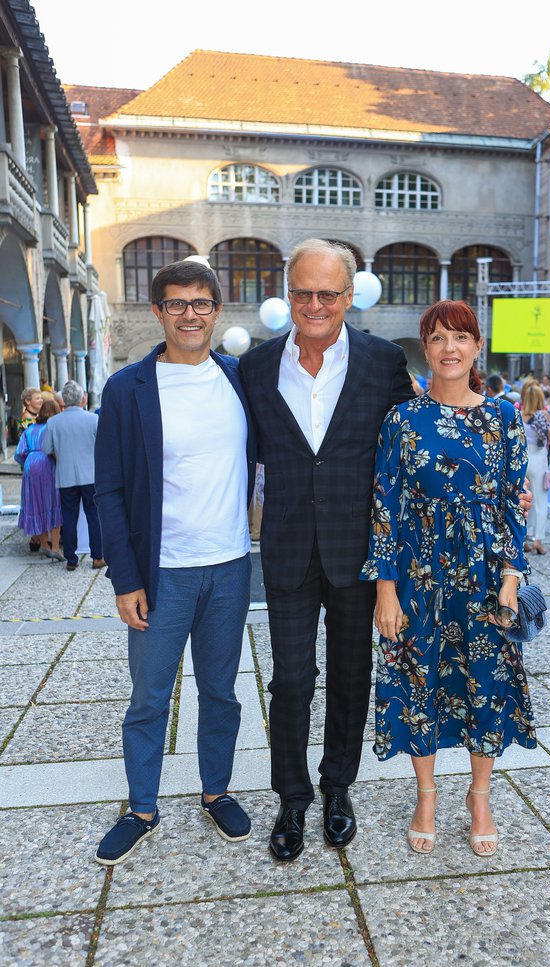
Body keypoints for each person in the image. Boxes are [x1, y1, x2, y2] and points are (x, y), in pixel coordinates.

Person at [239, 238, 416, 862]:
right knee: (290, 679)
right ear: (289, 294)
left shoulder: (382, 360)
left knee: (349, 677)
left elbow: (413, 447)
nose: (315, 305)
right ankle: (291, 796)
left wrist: (491, 489)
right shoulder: (256, 367)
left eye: (328, 294)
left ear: (349, 297)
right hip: (285, 548)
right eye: (303, 292)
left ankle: (339, 787)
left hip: (356, 550)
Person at [93, 257, 256, 866]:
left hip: (230, 566)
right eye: (178, 304)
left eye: (202, 304)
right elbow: (108, 488)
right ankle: (141, 807)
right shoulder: (128, 388)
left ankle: (216, 790)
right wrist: (125, 578)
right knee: (150, 696)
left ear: (217, 311)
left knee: (221, 691)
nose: (191, 315)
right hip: (161, 573)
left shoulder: (241, 379)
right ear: (158, 312)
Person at [362, 299, 535, 858]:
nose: (450, 348)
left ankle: (480, 797)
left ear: (477, 346)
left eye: (460, 337)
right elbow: (384, 504)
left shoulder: (504, 417)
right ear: (426, 349)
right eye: (437, 338)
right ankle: (427, 794)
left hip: (485, 575)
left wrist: (511, 579)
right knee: (420, 679)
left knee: (485, 681)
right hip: (419, 572)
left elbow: (513, 502)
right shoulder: (402, 420)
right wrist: (386, 590)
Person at [41, 381, 105, 571]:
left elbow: (47, 449)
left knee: (69, 517)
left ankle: (71, 558)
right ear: (81, 398)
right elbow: (102, 447)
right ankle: (97, 556)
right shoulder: (93, 419)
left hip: (65, 475)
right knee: (94, 515)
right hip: (90, 474)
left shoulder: (53, 422)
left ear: (64, 400)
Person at [14, 398, 65, 561]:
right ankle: (56, 547)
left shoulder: (30, 429)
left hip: (30, 463)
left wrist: (28, 464)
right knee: (52, 502)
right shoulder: (53, 427)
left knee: (37, 504)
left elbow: (18, 453)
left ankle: (43, 544)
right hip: (48, 463)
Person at [521, 382, 550, 554]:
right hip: (539, 461)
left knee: (523, 501)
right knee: (541, 503)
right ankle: (538, 539)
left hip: (522, 461)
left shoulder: (518, 415)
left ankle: (521, 539)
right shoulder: (544, 416)